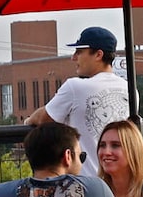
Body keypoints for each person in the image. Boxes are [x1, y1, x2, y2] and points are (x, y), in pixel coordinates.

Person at [26, 25, 130, 179]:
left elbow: (44, 118)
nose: (73, 57)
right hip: (120, 182)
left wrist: (29, 119)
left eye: (79, 52)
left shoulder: (75, 87)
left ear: (98, 55)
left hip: (85, 184)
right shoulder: (130, 90)